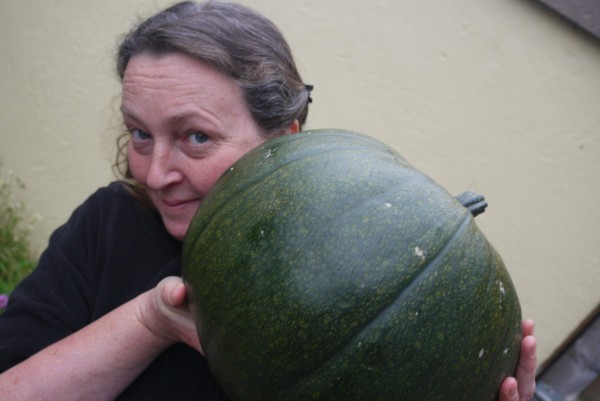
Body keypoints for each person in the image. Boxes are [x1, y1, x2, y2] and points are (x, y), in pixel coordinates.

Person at [0, 1, 537, 400]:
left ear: (283, 140)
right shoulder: (110, 222)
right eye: (139, 133)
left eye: (196, 137)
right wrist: (150, 321)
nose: (156, 173)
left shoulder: (372, 276)